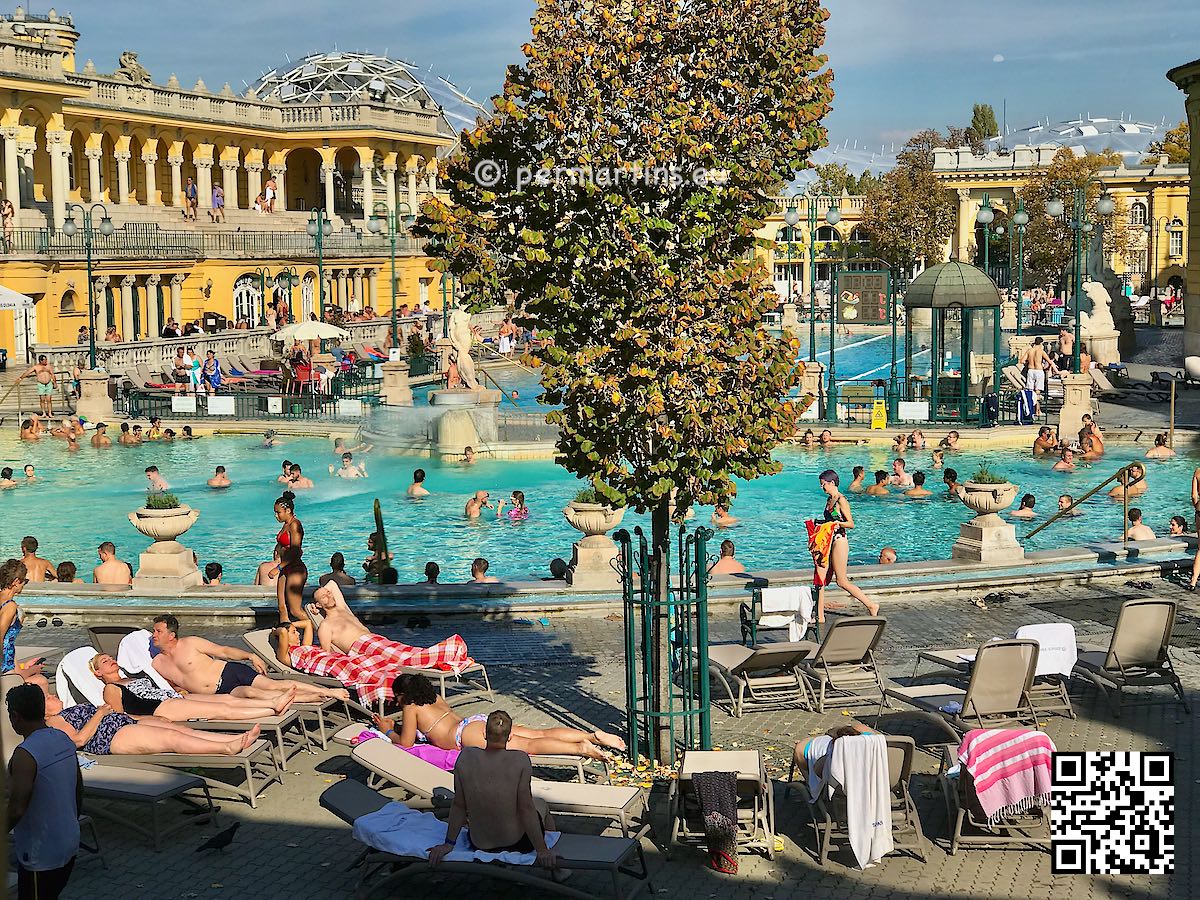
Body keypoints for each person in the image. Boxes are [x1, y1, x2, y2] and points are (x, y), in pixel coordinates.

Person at [374, 673, 623, 759]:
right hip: (474, 722)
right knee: (537, 733)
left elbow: (406, 743)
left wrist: (387, 730)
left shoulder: (411, 707)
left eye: (397, 697)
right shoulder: (434, 697)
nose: (396, 701)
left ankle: (581, 748)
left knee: (528, 746)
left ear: (404, 695)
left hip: (464, 735)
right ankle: (593, 736)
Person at [426, 710, 559, 867]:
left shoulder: (466, 757)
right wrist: (541, 850)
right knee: (541, 804)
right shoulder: (520, 760)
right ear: (509, 737)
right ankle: (553, 866)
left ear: (484, 733)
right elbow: (526, 808)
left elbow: (459, 806)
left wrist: (448, 844)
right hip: (517, 842)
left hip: (480, 843)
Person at [150, 614, 344, 702]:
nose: (154, 635)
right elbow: (172, 685)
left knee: (276, 686)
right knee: (263, 696)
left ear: (171, 635)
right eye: (153, 631)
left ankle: (326, 692)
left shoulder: (190, 643)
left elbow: (223, 651)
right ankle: (319, 696)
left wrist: (250, 655)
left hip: (229, 672)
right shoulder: (157, 663)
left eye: (158, 631)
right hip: (219, 694)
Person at [6, 682, 82, 900]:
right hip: (69, 841)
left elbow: (17, 809)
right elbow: (78, 787)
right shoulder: (63, 739)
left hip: (41, 855)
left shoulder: (25, 754)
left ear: (15, 716)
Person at [92, 653, 291, 721]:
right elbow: (119, 717)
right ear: (98, 673)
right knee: (220, 711)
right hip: (158, 708)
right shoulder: (110, 688)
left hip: (170, 697)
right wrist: (150, 719)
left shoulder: (129, 678)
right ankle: (272, 709)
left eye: (110, 657)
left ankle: (273, 700)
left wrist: (177, 689)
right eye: (104, 661)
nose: (110, 660)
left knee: (229, 699)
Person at [810, 470, 879, 620]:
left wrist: (837, 523)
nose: (822, 488)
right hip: (827, 541)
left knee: (841, 581)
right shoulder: (829, 500)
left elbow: (851, 523)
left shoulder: (841, 500)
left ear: (832, 483)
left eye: (824, 484)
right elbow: (829, 521)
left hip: (839, 541)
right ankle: (820, 616)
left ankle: (871, 605)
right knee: (820, 578)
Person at [273, 492, 309, 640]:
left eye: (278, 512)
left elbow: (295, 551)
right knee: (282, 609)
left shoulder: (295, 524)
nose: (276, 516)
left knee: (295, 610)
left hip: (295, 569)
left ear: (288, 511)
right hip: (285, 569)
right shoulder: (285, 525)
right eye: (275, 512)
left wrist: (279, 567)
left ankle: (321, 629)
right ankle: (285, 640)